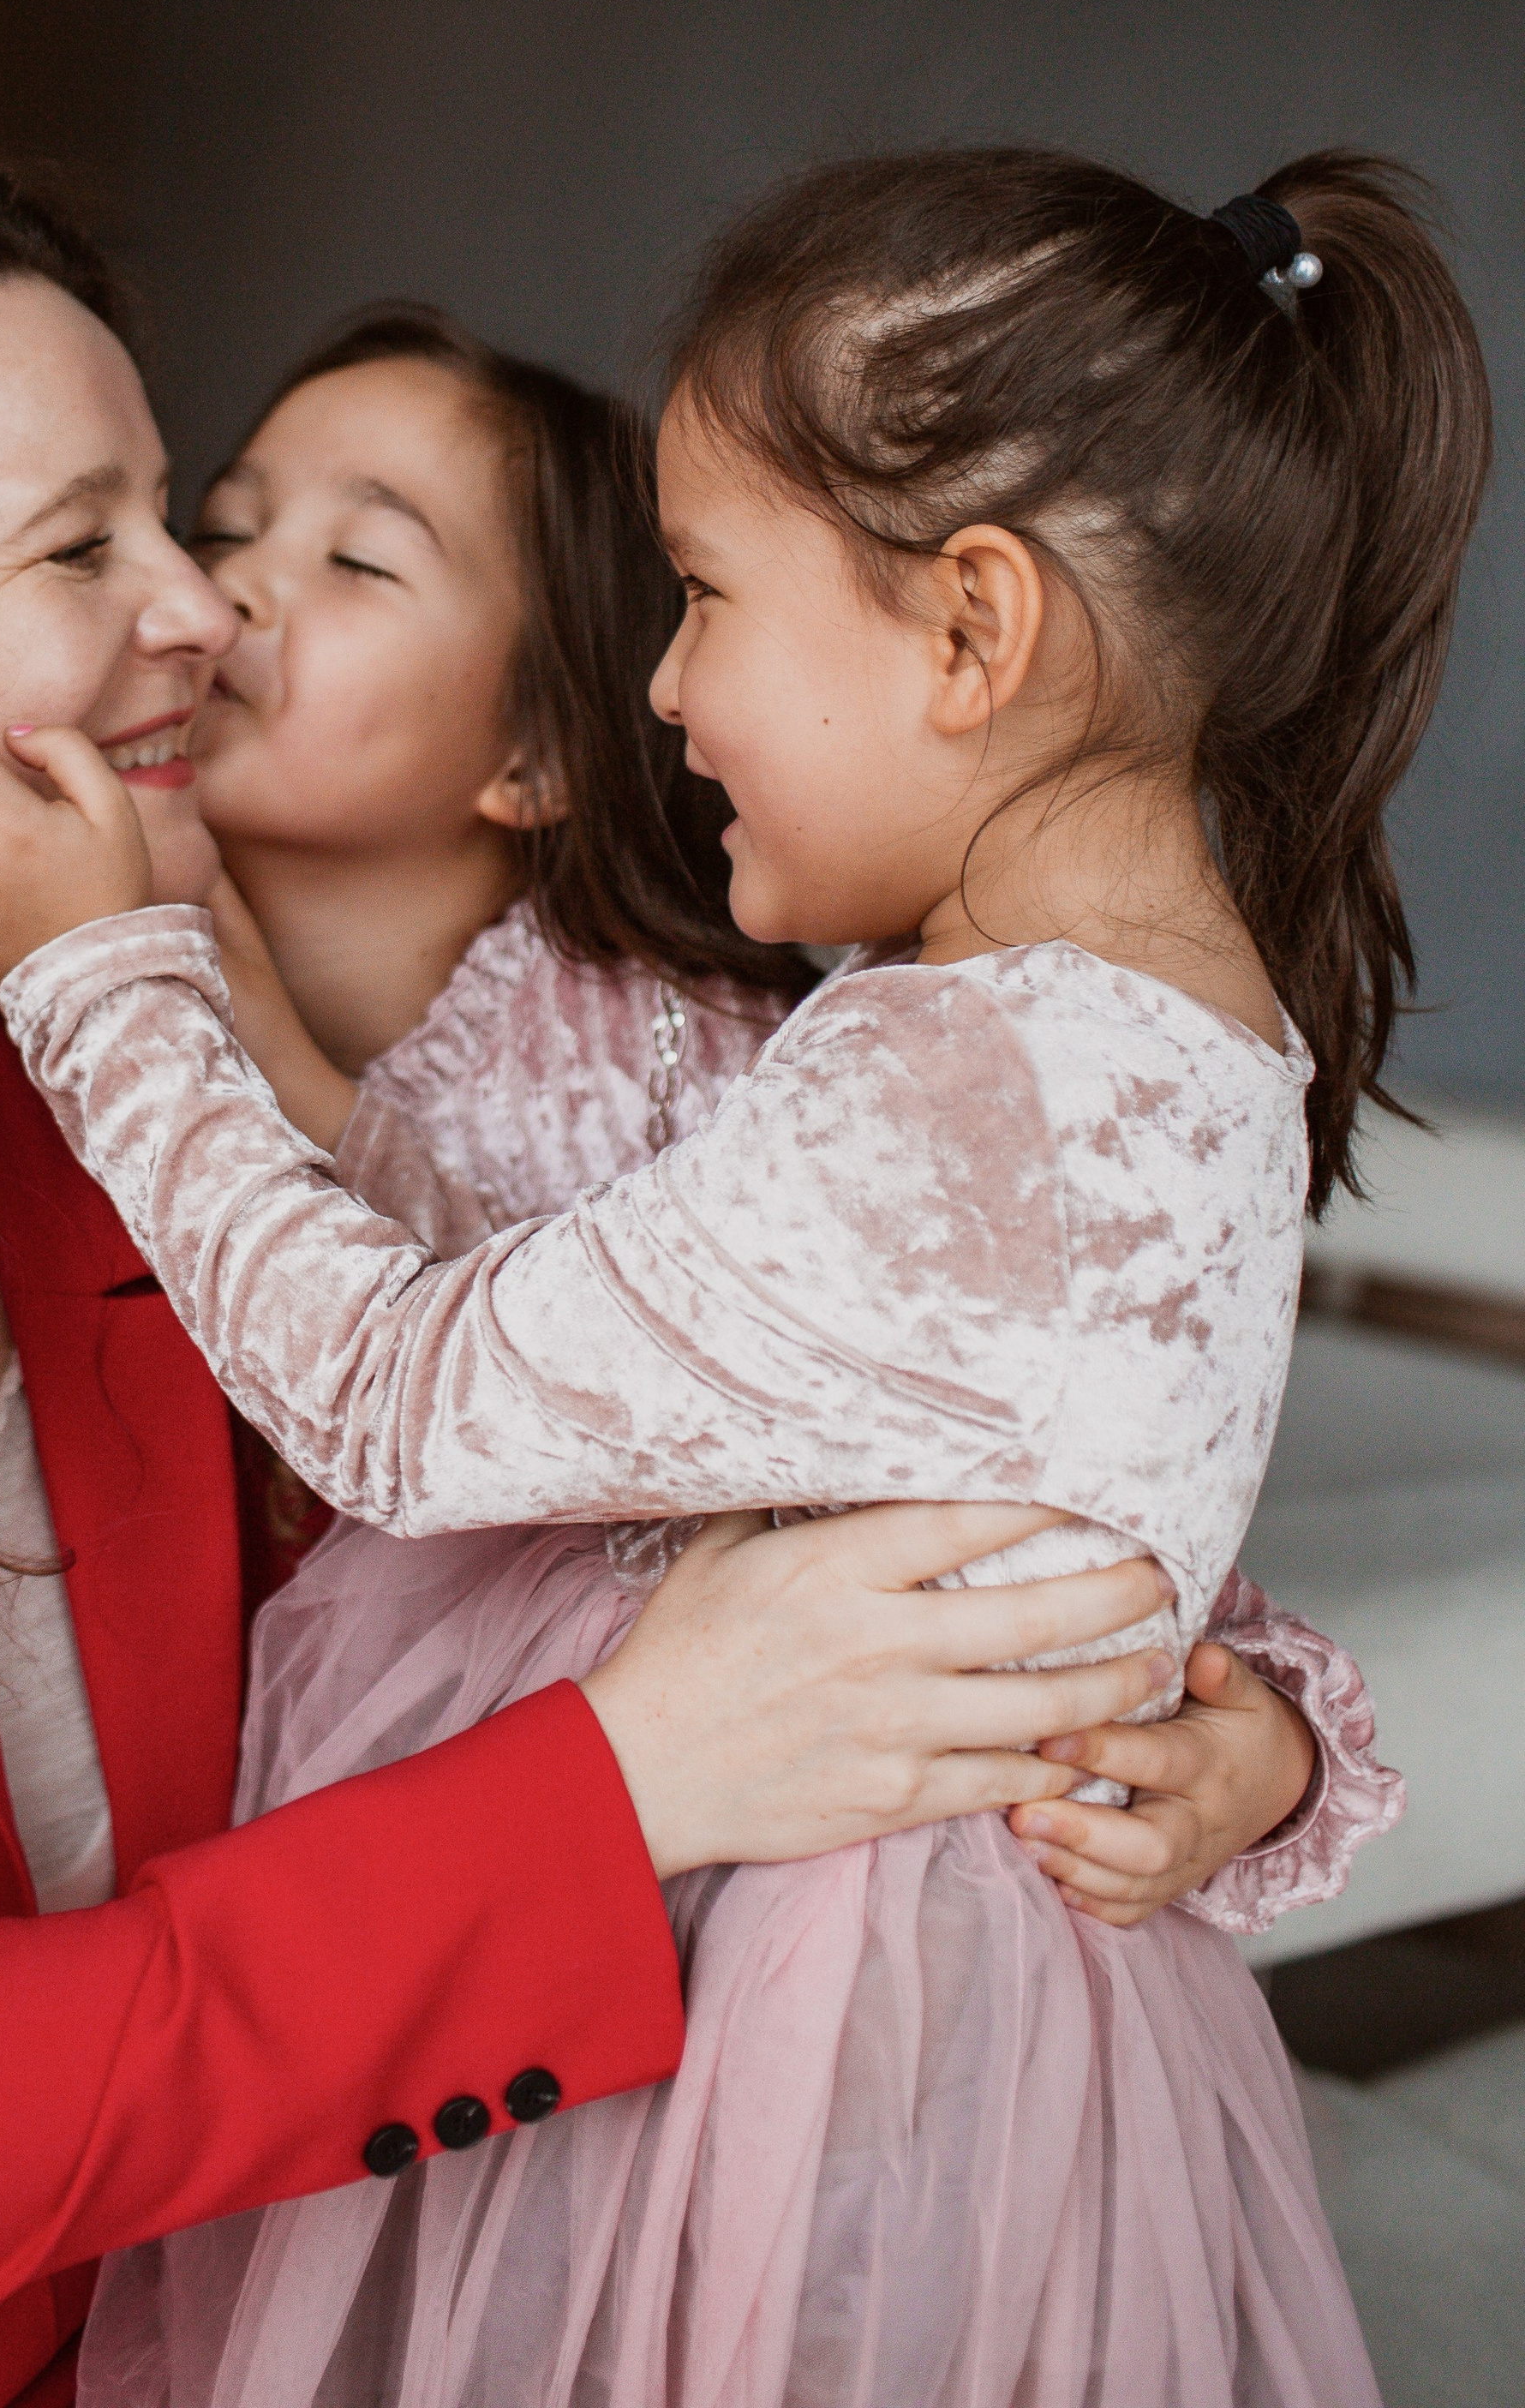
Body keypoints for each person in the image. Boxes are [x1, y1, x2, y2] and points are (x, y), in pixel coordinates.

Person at [0, 147, 1183, 2408]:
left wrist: (1225, 1713)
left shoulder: (105, 1129)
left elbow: (645, 1470)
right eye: (85, 542)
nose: (206, 612)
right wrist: (630, 1776)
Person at [0, 147, 1492, 2406]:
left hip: (781, 2037)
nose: (670, 682)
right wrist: (1268, 1746)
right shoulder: (1136, 1037)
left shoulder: (948, 1082)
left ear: (975, 631)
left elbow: (398, 1402)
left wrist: (91, 970)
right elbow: (1055, 1513)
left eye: (705, 597)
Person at [188, 302, 1397, 1934]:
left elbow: (1016, 1496)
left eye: (362, 563)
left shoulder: (708, 1069)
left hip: (639, 1901)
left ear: (542, 747)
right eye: (228, 524)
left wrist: (1272, 1746)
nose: (220, 587)